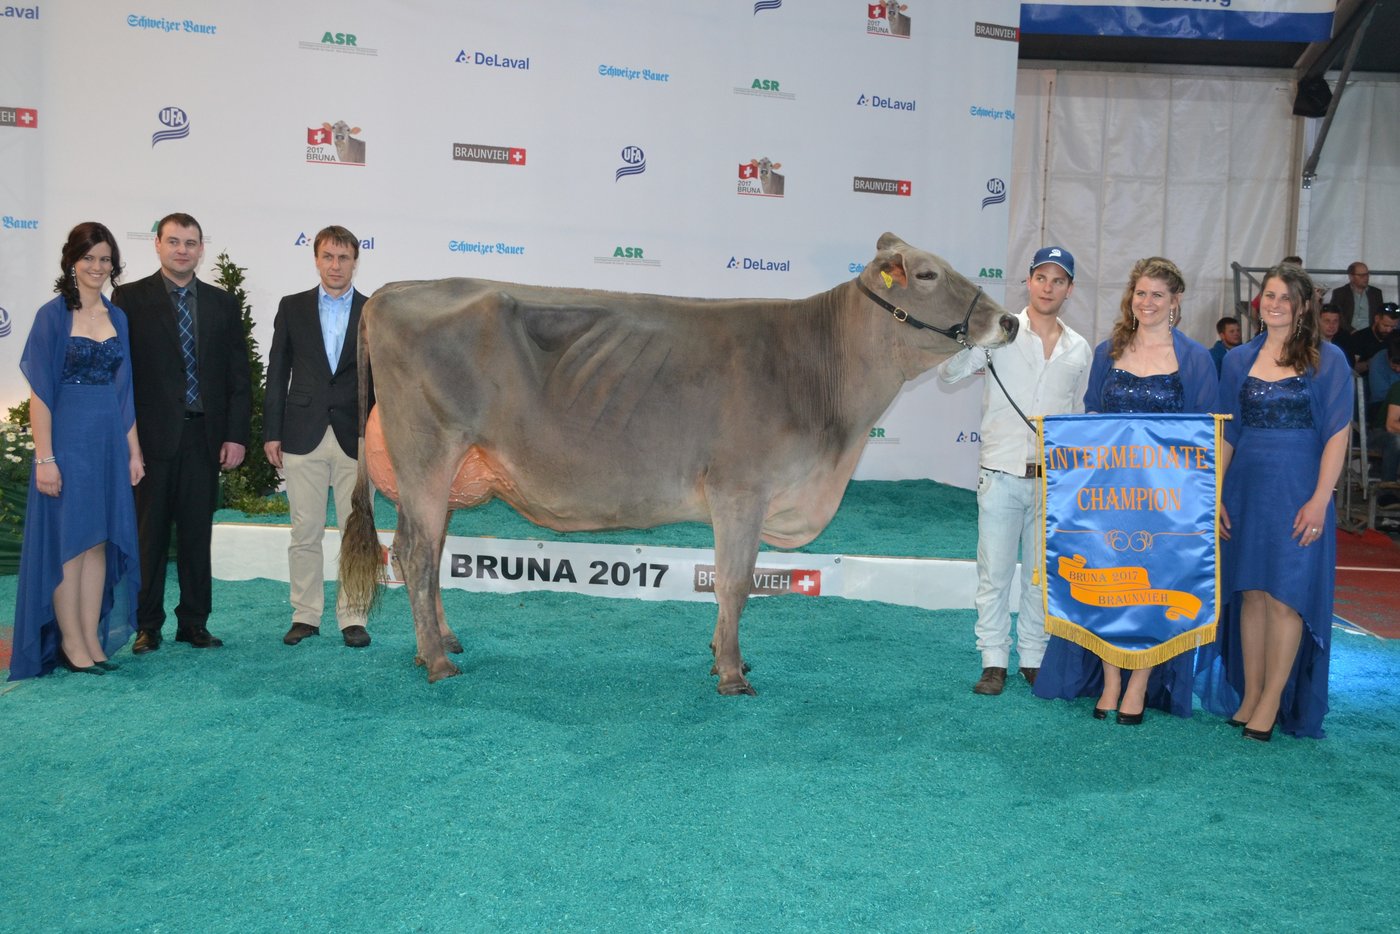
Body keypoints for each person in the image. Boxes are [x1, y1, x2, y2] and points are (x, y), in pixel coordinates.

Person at [1034, 257, 1217, 723]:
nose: (1147, 302)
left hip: (1168, 503)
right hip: (1109, 498)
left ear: (1175, 301)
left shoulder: (1195, 358)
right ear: (1130, 297)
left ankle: (1139, 683)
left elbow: (1207, 437)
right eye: (1140, 293)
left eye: (1158, 294)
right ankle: (1111, 680)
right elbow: (1092, 419)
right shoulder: (1107, 351)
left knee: (1155, 587)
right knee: (1109, 586)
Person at [1196, 263, 1351, 740]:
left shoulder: (1329, 360)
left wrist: (1320, 499)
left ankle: (1271, 700)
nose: (1275, 303)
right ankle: (1249, 694)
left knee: (1285, 598)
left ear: (1303, 306)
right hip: (1246, 490)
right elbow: (1228, 432)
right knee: (1251, 595)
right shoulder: (1239, 359)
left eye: (1285, 297)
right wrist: (1216, 491)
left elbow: (1337, 434)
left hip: (1298, 491)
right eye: (1269, 295)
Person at [938, 246, 1091, 695]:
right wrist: (977, 342)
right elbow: (948, 374)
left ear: (1069, 289)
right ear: (1028, 281)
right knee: (995, 572)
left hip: (1052, 479)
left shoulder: (1078, 348)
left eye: (1058, 280)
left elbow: (1076, 413)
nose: (1048, 287)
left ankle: (1034, 657)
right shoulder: (1002, 331)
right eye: (1041, 277)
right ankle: (993, 660)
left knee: (1040, 577)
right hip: (1001, 473)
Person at [111, 213, 251, 654]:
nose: (182, 250)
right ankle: (146, 625)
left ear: (200, 248)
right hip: (151, 440)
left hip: (204, 437)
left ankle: (194, 623)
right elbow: (123, 376)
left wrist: (236, 435)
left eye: (191, 243)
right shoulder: (128, 299)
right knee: (149, 536)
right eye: (174, 241)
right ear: (157, 244)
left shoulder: (222, 304)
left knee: (196, 536)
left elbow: (238, 376)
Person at [10, 222, 144, 679]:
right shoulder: (52, 316)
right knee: (70, 544)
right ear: (71, 261)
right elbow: (41, 395)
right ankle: (70, 642)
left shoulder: (118, 317)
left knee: (99, 542)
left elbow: (124, 394)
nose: (97, 267)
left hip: (108, 440)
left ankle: (90, 635)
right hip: (67, 442)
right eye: (89, 258)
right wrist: (44, 458)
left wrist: (133, 453)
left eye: (105, 259)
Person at [263, 226, 373, 648]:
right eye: (328, 256)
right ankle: (305, 615)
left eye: (343, 258)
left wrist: (380, 440)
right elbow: (277, 373)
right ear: (316, 259)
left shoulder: (373, 310)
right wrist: (272, 431)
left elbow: (383, 380)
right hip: (302, 432)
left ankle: (354, 616)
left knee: (356, 530)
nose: (335, 266)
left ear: (355, 262)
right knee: (304, 530)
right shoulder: (292, 307)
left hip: (357, 436)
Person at [1340, 302, 1398, 378]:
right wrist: (1372, 363)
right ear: (1376, 319)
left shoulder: (1397, 337)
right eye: (1385, 325)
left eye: (1393, 327)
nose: (1389, 330)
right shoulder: (1359, 338)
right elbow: (1351, 368)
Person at [1329, 261, 1383, 335]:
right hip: (1347, 333)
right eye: (1361, 275)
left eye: (1367, 274)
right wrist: (1351, 330)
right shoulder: (1340, 293)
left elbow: (1380, 315)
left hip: (1371, 334)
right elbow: (1336, 315)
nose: (1366, 278)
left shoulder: (1376, 293)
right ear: (1351, 276)